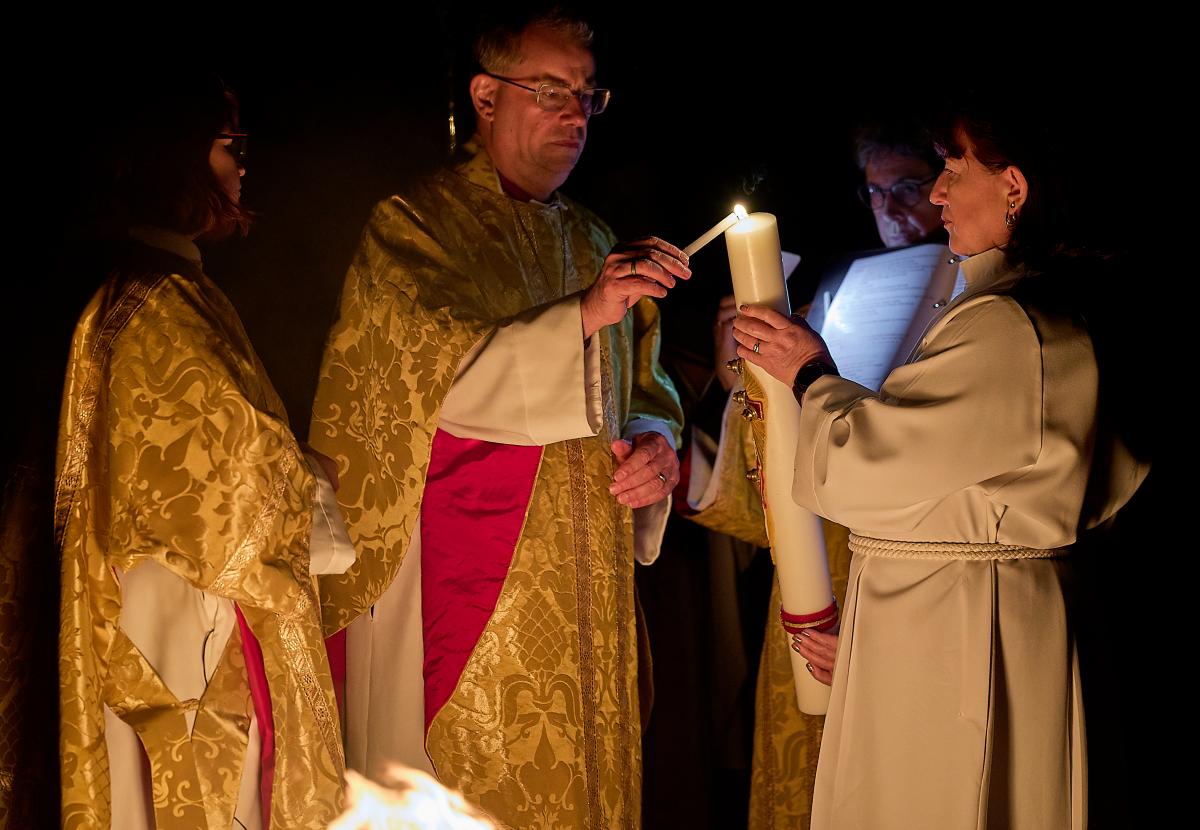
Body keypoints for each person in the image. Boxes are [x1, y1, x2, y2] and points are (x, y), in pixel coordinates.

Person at [310, 11, 686, 828]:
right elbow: (430, 386)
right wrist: (582, 316)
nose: (576, 115)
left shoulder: (593, 237)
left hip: (587, 600)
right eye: (551, 91)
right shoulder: (413, 226)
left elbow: (645, 384)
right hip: (473, 589)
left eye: (588, 95)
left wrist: (659, 445)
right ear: (486, 95)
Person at [731, 97, 1147, 828]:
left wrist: (808, 372)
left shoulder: (1011, 325)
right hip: (946, 622)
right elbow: (941, 503)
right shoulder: (1014, 311)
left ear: (1014, 187)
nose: (937, 192)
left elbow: (865, 471)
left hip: (964, 638)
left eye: (953, 168)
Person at [54, 73, 351, 829]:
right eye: (230, 146)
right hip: (184, 628)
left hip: (180, 614)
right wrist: (310, 474)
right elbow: (228, 479)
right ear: (176, 156)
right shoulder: (160, 303)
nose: (243, 166)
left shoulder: (165, 288)